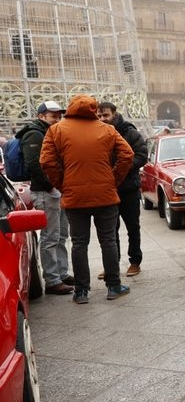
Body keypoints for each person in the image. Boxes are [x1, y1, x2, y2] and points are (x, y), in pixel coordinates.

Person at [39, 94, 134, 304]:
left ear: (70, 108)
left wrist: (63, 184)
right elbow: (127, 155)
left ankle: (81, 291)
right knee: (108, 241)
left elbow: (46, 161)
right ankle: (114, 286)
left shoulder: (56, 130)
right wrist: (113, 179)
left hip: (75, 197)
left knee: (79, 243)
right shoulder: (107, 129)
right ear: (94, 109)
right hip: (105, 196)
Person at [14, 101, 73, 295]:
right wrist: (50, 186)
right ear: (41, 116)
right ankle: (52, 279)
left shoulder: (51, 132)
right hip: (45, 192)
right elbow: (33, 164)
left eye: (58, 115)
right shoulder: (35, 134)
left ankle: (62, 273)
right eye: (52, 115)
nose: (56, 118)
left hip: (56, 190)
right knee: (50, 237)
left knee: (62, 235)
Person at [98, 102, 147, 278]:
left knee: (132, 227)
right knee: (110, 231)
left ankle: (135, 262)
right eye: (99, 116)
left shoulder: (129, 132)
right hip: (108, 190)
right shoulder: (97, 133)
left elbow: (142, 156)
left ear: (114, 114)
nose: (102, 119)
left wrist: (121, 168)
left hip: (129, 189)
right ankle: (112, 265)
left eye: (105, 115)